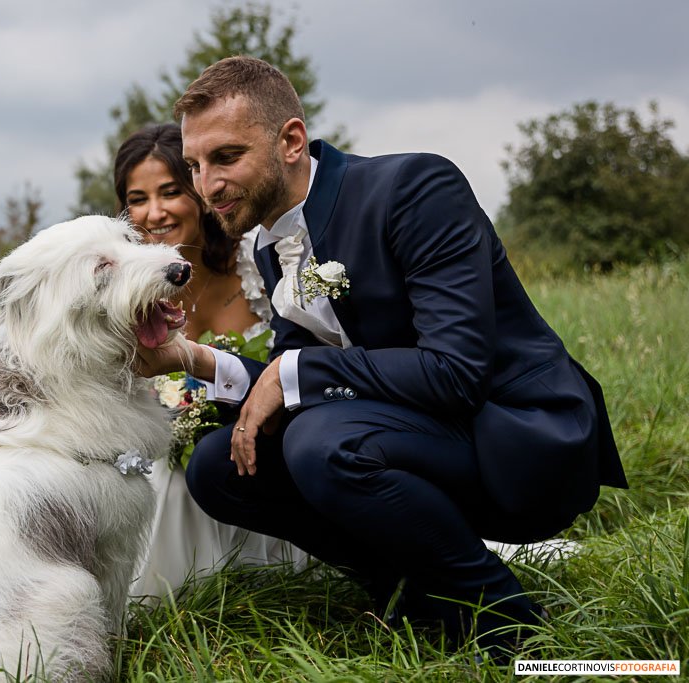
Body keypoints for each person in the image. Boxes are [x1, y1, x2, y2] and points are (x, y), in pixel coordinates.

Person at [134, 56, 628, 655]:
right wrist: (194, 359)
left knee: (321, 442)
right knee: (220, 466)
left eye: (226, 157)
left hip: (518, 437)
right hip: (411, 432)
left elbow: (456, 373)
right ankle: (410, 596)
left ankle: (512, 627)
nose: (206, 184)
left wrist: (294, 372)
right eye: (194, 164)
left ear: (291, 141)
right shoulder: (271, 245)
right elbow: (292, 382)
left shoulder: (414, 189)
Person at [114, 122, 307, 598]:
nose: (154, 213)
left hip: (272, 435)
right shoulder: (123, 290)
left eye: (170, 192)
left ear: (199, 193)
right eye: (137, 199)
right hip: (168, 446)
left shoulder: (257, 264)